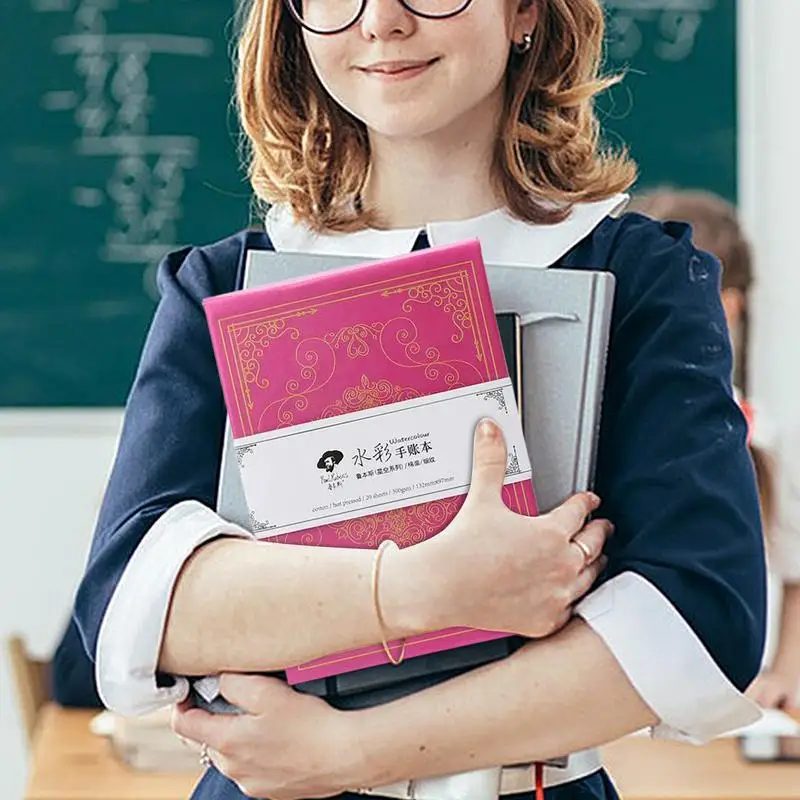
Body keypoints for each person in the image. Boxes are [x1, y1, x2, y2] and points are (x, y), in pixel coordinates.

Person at [71, 0, 767, 798]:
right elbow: (135, 605)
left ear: (524, 11)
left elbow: (699, 620)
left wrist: (352, 750)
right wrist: (427, 587)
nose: (381, 22)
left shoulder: (640, 280)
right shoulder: (223, 286)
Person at [630, 188, 800, 711]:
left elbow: (795, 568)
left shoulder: (763, 435)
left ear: (728, 306)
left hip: (740, 699)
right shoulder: (619, 425)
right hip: (632, 697)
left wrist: (784, 675)